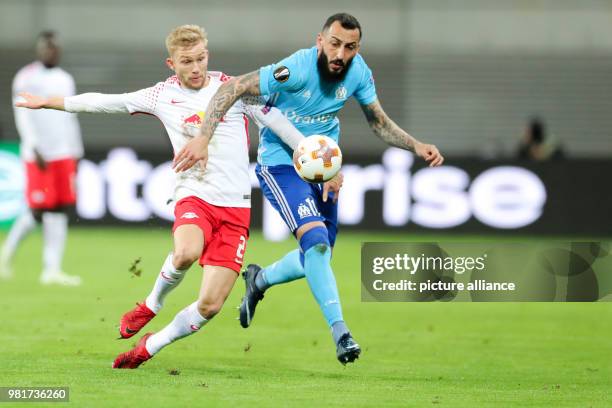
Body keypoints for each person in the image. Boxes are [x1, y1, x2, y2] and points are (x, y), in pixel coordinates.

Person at [14, 25, 305, 369]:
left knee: (210, 306)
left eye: (200, 59)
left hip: (236, 207)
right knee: (185, 253)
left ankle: (149, 346)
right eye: (187, 61)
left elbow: (278, 122)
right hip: (194, 194)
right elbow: (109, 103)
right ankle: (151, 304)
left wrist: (304, 149)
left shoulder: (233, 89)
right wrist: (51, 103)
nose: (196, 68)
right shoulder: (161, 95)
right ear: (171, 63)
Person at [173, 13, 444, 364]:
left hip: (325, 170)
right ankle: (341, 332)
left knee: (318, 257)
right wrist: (204, 138)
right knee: (315, 243)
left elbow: (377, 121)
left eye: (350, 47)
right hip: (282, 166)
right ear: (320, 41)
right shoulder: (295, 69)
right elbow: (233, 88)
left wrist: (415, 145)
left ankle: (260, 280)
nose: (341, 54)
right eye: (334, 44)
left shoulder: (358, 72)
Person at [1, 31, 84, 286]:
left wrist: (76, 151)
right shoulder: (27, 76)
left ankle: (52, 270)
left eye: (54, 48)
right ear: (39, 50)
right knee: (38, 210)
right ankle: (5, 257)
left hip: (63, 153)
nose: (51, 51)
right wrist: (32, 145)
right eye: (46, 47)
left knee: (59, 208)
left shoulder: (65, 79)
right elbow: (22, 113)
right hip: (39, 154)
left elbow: (70, 115)